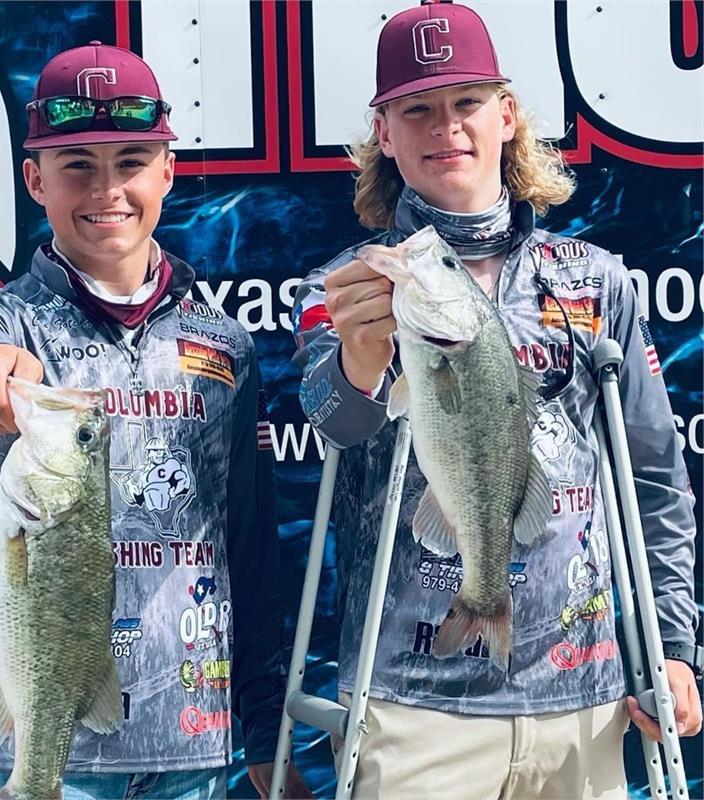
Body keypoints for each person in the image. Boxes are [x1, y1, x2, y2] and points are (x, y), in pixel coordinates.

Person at [292, 3, 701, 798]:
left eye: (466, 103)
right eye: (417, 110)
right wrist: (358, 358)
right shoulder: (348, 287)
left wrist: (673, 646)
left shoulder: (596, 280)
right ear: (385, 131)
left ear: (507, 115)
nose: (445, 128)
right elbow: (334, 425)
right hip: (414, 706)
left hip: (586, 700)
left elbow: (652, 475)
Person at [0, 41, 309, 800]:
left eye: (131, 160)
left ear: (167, 171)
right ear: (34, 179)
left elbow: (249, 549)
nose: (107, 189)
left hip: (190, 744)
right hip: (33, 754)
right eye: (77, 166)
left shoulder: (222, 344)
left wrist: (265, 730)